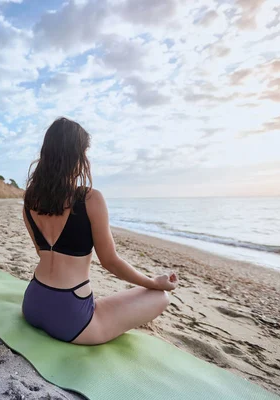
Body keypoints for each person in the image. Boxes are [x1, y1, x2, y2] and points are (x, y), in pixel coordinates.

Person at [22, 117, 179, 345]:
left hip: (33, 303)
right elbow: (110, 261)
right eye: (84, 153)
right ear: (75, 156)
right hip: (71, 319)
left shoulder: (30, 200)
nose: (85, 159)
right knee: (160, 298)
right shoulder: (90, 198)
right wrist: (154, 283)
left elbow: (41, 252)